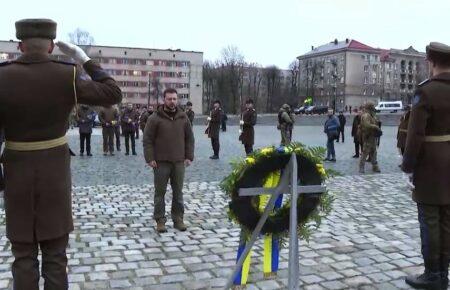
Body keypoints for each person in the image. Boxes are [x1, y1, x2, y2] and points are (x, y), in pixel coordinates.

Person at [0, 18, 122, 289]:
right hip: (54, 177)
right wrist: (85, 59)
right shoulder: (65, 73)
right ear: (52, 45)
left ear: (20, 45)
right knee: (55, 255)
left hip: (17, 177)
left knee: (23, 256)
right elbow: (113, 93)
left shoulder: (2, 76)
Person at [402, 42, 450, 290]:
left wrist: (408, 166)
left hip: (431, 164)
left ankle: (433, 274)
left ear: (431, 62)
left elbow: (415, 134)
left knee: (430, 219)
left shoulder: (426, 91)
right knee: (446, 220)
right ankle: (443, 272)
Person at [143, 88, 195, 233]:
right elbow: (147, 140)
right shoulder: (155, 118)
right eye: (169, 99)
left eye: (174, 99)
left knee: (178, 192)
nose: (172, 102)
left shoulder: (183, 117)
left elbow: (189, 138)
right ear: (164, 100)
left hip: (178, 161)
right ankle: (160, 220)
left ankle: (178, 219)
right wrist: (150, 158)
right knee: (160, 192)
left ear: (177, 100)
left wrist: (189, 156)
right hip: (160, 162)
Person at [359, 102, 382, 173]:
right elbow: (366, 125)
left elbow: (374, 122)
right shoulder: (366, 115)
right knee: (365, 152)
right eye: (372, 107)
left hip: (373, 137)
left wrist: (377, 123)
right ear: (369, 108)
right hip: (368, 136)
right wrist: (375, 127)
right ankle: (361, 167)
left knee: (374, 152)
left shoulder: (372, 115)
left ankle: (375, 166)